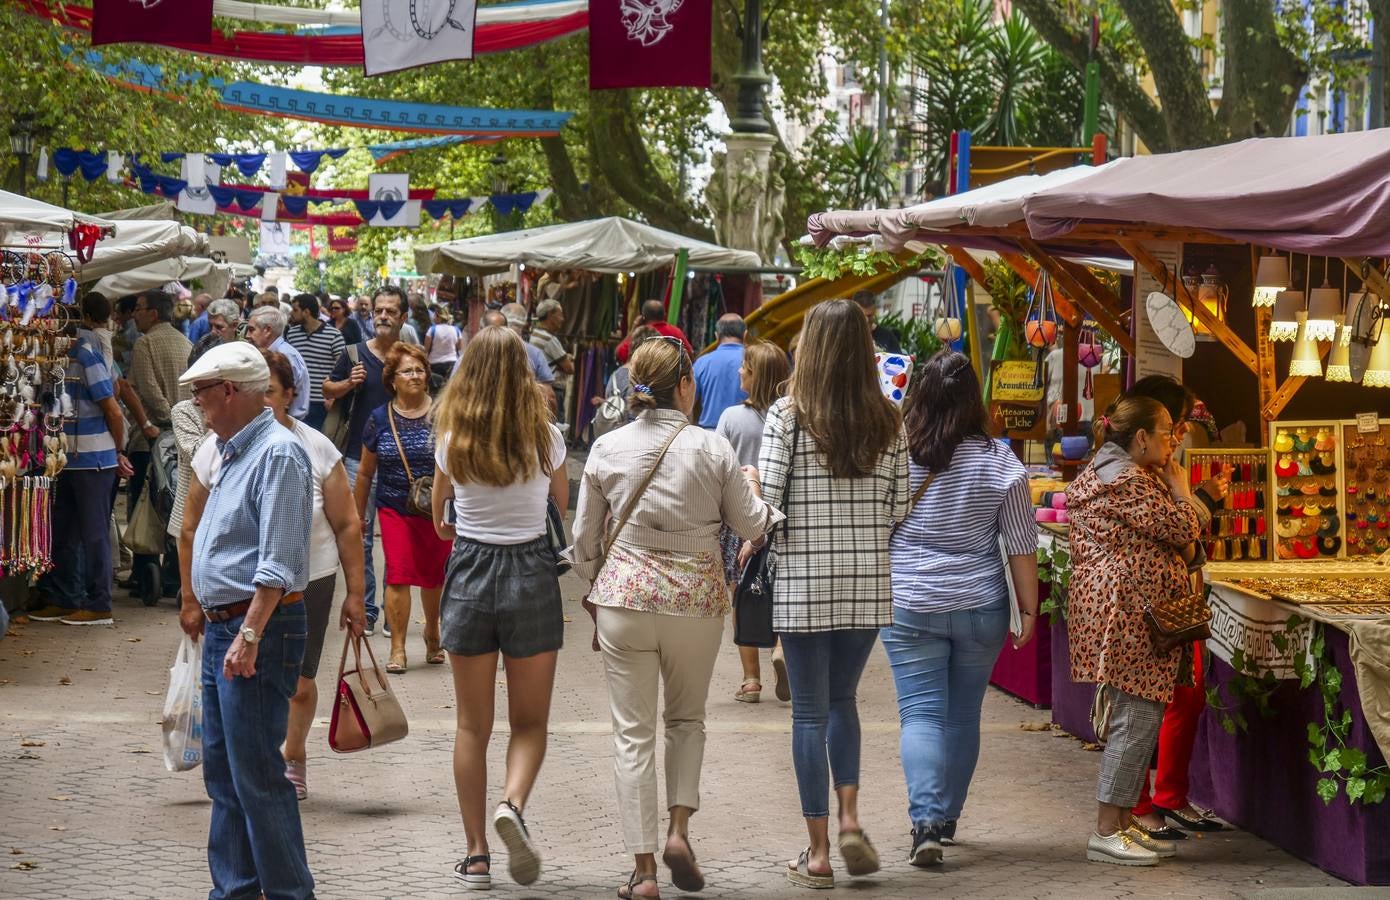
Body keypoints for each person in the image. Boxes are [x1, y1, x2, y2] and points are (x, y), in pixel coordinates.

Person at [569, 337, 783, 900]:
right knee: (686, 721)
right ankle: (679, 830)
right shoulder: (712, 449)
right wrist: (762, 493)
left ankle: (642, 872)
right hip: (695, 602)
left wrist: (598, 586)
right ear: (685, 386)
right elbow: (752, 523)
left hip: (625, 601)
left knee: (632, 735)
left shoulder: (606, 448)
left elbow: (582, 541)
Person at [756, 298, 908, 890]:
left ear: (810, 348)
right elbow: (899, 507)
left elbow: (766, 500)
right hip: (868, 583)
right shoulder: (889, 420)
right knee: (844, 703)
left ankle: (818, 853)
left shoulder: (788, 415)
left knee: (809, 713)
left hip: (802, 581)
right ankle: (849, 817)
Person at [881, 351, 1040, 867]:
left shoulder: (896, 454)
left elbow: (875, 526)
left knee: (920, 714)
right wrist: (1031, 612)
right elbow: (1020, 543)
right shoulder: (1001, 462)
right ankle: (948, 817)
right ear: (975, 400)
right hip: (980, 603)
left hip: (909, 601)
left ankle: (924, 822)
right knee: (963, 715)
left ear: (919, 395)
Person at [174, 342, 319, 900]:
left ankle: (286, 893)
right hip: (227, 627)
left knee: (256, 777)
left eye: (201, 393)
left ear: (229, 391)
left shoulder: (278, 452)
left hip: (254, 629)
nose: (197, 403)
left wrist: (250, 633)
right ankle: (234, 891)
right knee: (226, 776)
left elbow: (278, 558)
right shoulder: (232, 448)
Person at [429, 326, 569, 890]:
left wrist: (457, 518)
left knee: (471, 725)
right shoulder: (547, 437)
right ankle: (511, 804)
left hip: (469, 571)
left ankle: (477, 853)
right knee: (530, 722)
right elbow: (559, 504)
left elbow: (441, 513)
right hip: (531, 572)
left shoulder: (451, 435)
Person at [1065, 395, 1201, 867]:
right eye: (1166, 431)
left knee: (1138, 716)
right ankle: (1107, 828)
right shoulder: (1125, 480)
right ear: (1140, 437)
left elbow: (1182, 544)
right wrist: (1181, 487)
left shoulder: (1114, 474)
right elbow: (1186, 525)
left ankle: (1122, 821)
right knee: (1136, 718)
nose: (1172, 440)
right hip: (1129, 614)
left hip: (1126, 611)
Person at [1124, 376, 1228, 841]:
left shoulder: (1160, 467)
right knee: (1145, 704)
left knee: (1185, 696)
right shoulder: (1137, 475)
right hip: (1147, 605)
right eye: (1175, 425)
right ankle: (1139, 805)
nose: (1180, 434)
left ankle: (1168, 795)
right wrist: (1200, 498)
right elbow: (1181, 540)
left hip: (1177, 601)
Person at [261, 351, 367, 799]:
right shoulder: (220, 446)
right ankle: (253, 761)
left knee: (301, 682)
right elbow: (193, 526)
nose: (261, 400)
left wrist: (357, 593)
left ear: (289, 394)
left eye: (269, 391)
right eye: (253, 390)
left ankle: (293, 755)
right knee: (245, 676)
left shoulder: (317, 447)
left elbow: (347, 524)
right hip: (241, 582)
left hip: (311, 580)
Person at [353, 343, 451, 672]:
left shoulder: (442, 414)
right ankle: (397, 648)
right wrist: (357, 515)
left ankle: (433, 635)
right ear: (392, 379)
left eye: (420, 369)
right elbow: (366, 472)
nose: (415, 375)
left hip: (435, 508)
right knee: (398, 574)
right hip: (394, 506)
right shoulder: (379, 419)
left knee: (434, 577)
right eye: (407, 371)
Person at [29, 314, 132, 625]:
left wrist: (117, 451)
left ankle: (100, 604)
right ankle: (65, 597)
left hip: (94, 460)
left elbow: (113, 410)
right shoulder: (53, 361)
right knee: (64, 531)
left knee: (93, 532)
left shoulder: (87, 357)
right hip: (66, 461)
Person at [326, 286, 411, 634]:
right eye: (379, 311)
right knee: (358, 535)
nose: (383, 317)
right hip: (355, 460)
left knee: (396, 538)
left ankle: (393, 611)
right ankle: (367, 608)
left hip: (399, 462)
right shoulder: (354, 353)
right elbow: (326, 391)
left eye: (391, 311)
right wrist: (349, 382)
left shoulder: (410, 358)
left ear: (403, 318)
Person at [714, 340, 791, 703]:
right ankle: (780, 647)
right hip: (781, 517)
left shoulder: (731, 417)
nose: (739, 370)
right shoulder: (795, 418)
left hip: (739, 522)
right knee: (780, 590)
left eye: (745, 366)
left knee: (743, 594)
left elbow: (717, 469)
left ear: (756, 374)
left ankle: (750, 680)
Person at [128, 289, 192, 604]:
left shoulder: (145, 343)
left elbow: (149, 389)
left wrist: (167, 420)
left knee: (146, 506)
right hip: (181, 440)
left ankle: (144, 571)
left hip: (152, 437)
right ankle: (169, 574)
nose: (133, 314)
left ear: (153, 313)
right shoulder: (186, 343)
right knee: (175, 504)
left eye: (138, 308)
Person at [285, 293, 345, 431]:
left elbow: (342, 368)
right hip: (297, 401)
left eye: (295, 310)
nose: (291, 313)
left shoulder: (333, 335)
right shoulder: (292, 334)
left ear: (306, 312)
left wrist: (333, 399)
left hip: (321, 402)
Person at [247, 306, 310, 421]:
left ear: (268, 331)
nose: (247, 335)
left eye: (251, 330)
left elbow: (285, 402)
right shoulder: (270, 353)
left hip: (285, 424)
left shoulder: (286, 356)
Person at [692, 314, 748, 430]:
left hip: (710, 434)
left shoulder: (702, 363)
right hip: (745, 434)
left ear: (716, 336)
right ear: (745, 335)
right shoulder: (755, 361)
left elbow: (689, 402)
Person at [496, 305, 557, 407]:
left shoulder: (483, 347)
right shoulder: (534, 353)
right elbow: (549, 396)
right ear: (524, 324)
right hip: (523, 415)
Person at [529, 298, 575, 418]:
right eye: (560, 315)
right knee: (555, 425)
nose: (562, 319)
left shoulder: (535, 333)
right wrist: (569, 358)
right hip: (552, 389)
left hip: (539, 388)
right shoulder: (550, 340)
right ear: (550, 316)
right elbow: (570, 369)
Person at [614, 299, 693, 363]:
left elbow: (619, 353)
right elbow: (690, 354)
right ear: (664, 315)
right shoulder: (676, 331)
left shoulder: (641, 333)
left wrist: (633, 329)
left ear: (643, 317)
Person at [189, 298, 243, 366]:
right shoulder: (202, 344)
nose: (213, 331)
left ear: (234, 325)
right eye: (210, 325)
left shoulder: (244, 348)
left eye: (219, 327)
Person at [851, 290, 903, 354]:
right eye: (862, 316)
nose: (866, 320)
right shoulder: (845, 337)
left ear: (875, 311)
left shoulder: (887, 337)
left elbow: (899, 361)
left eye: (869, 316)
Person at [425, 306, 464, 381]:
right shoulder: (456, 330)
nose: (433, 317)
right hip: (452, 363)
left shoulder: (432, 330)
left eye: (435, 315)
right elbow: (459, 348)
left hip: (435, 364)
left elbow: (426, 348)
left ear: (439, 317)